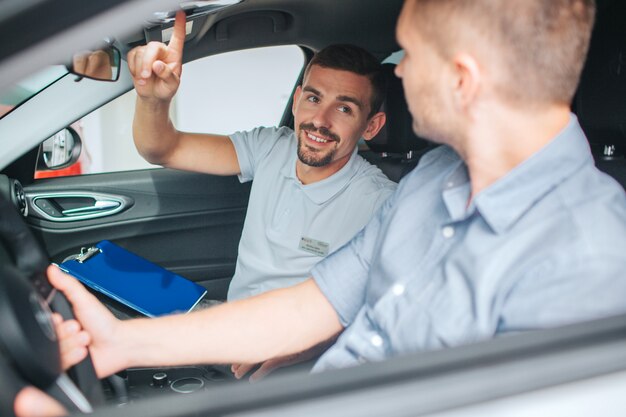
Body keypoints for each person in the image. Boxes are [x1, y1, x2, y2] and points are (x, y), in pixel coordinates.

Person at [16, 0, 626, 414]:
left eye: (408, 53)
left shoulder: (588, 258)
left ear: (463, 80)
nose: (403, 70)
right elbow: (313, 306)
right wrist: (123, 345)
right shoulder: (433, 180)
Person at [128, 12, 396, 303]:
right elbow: (163, 149)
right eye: (314, 99)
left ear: (371, 126)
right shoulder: (269, 147)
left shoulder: (378, 204)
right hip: (230, 323)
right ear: (296, 102)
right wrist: (153, 100)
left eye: (344, 109)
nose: (320, 120)